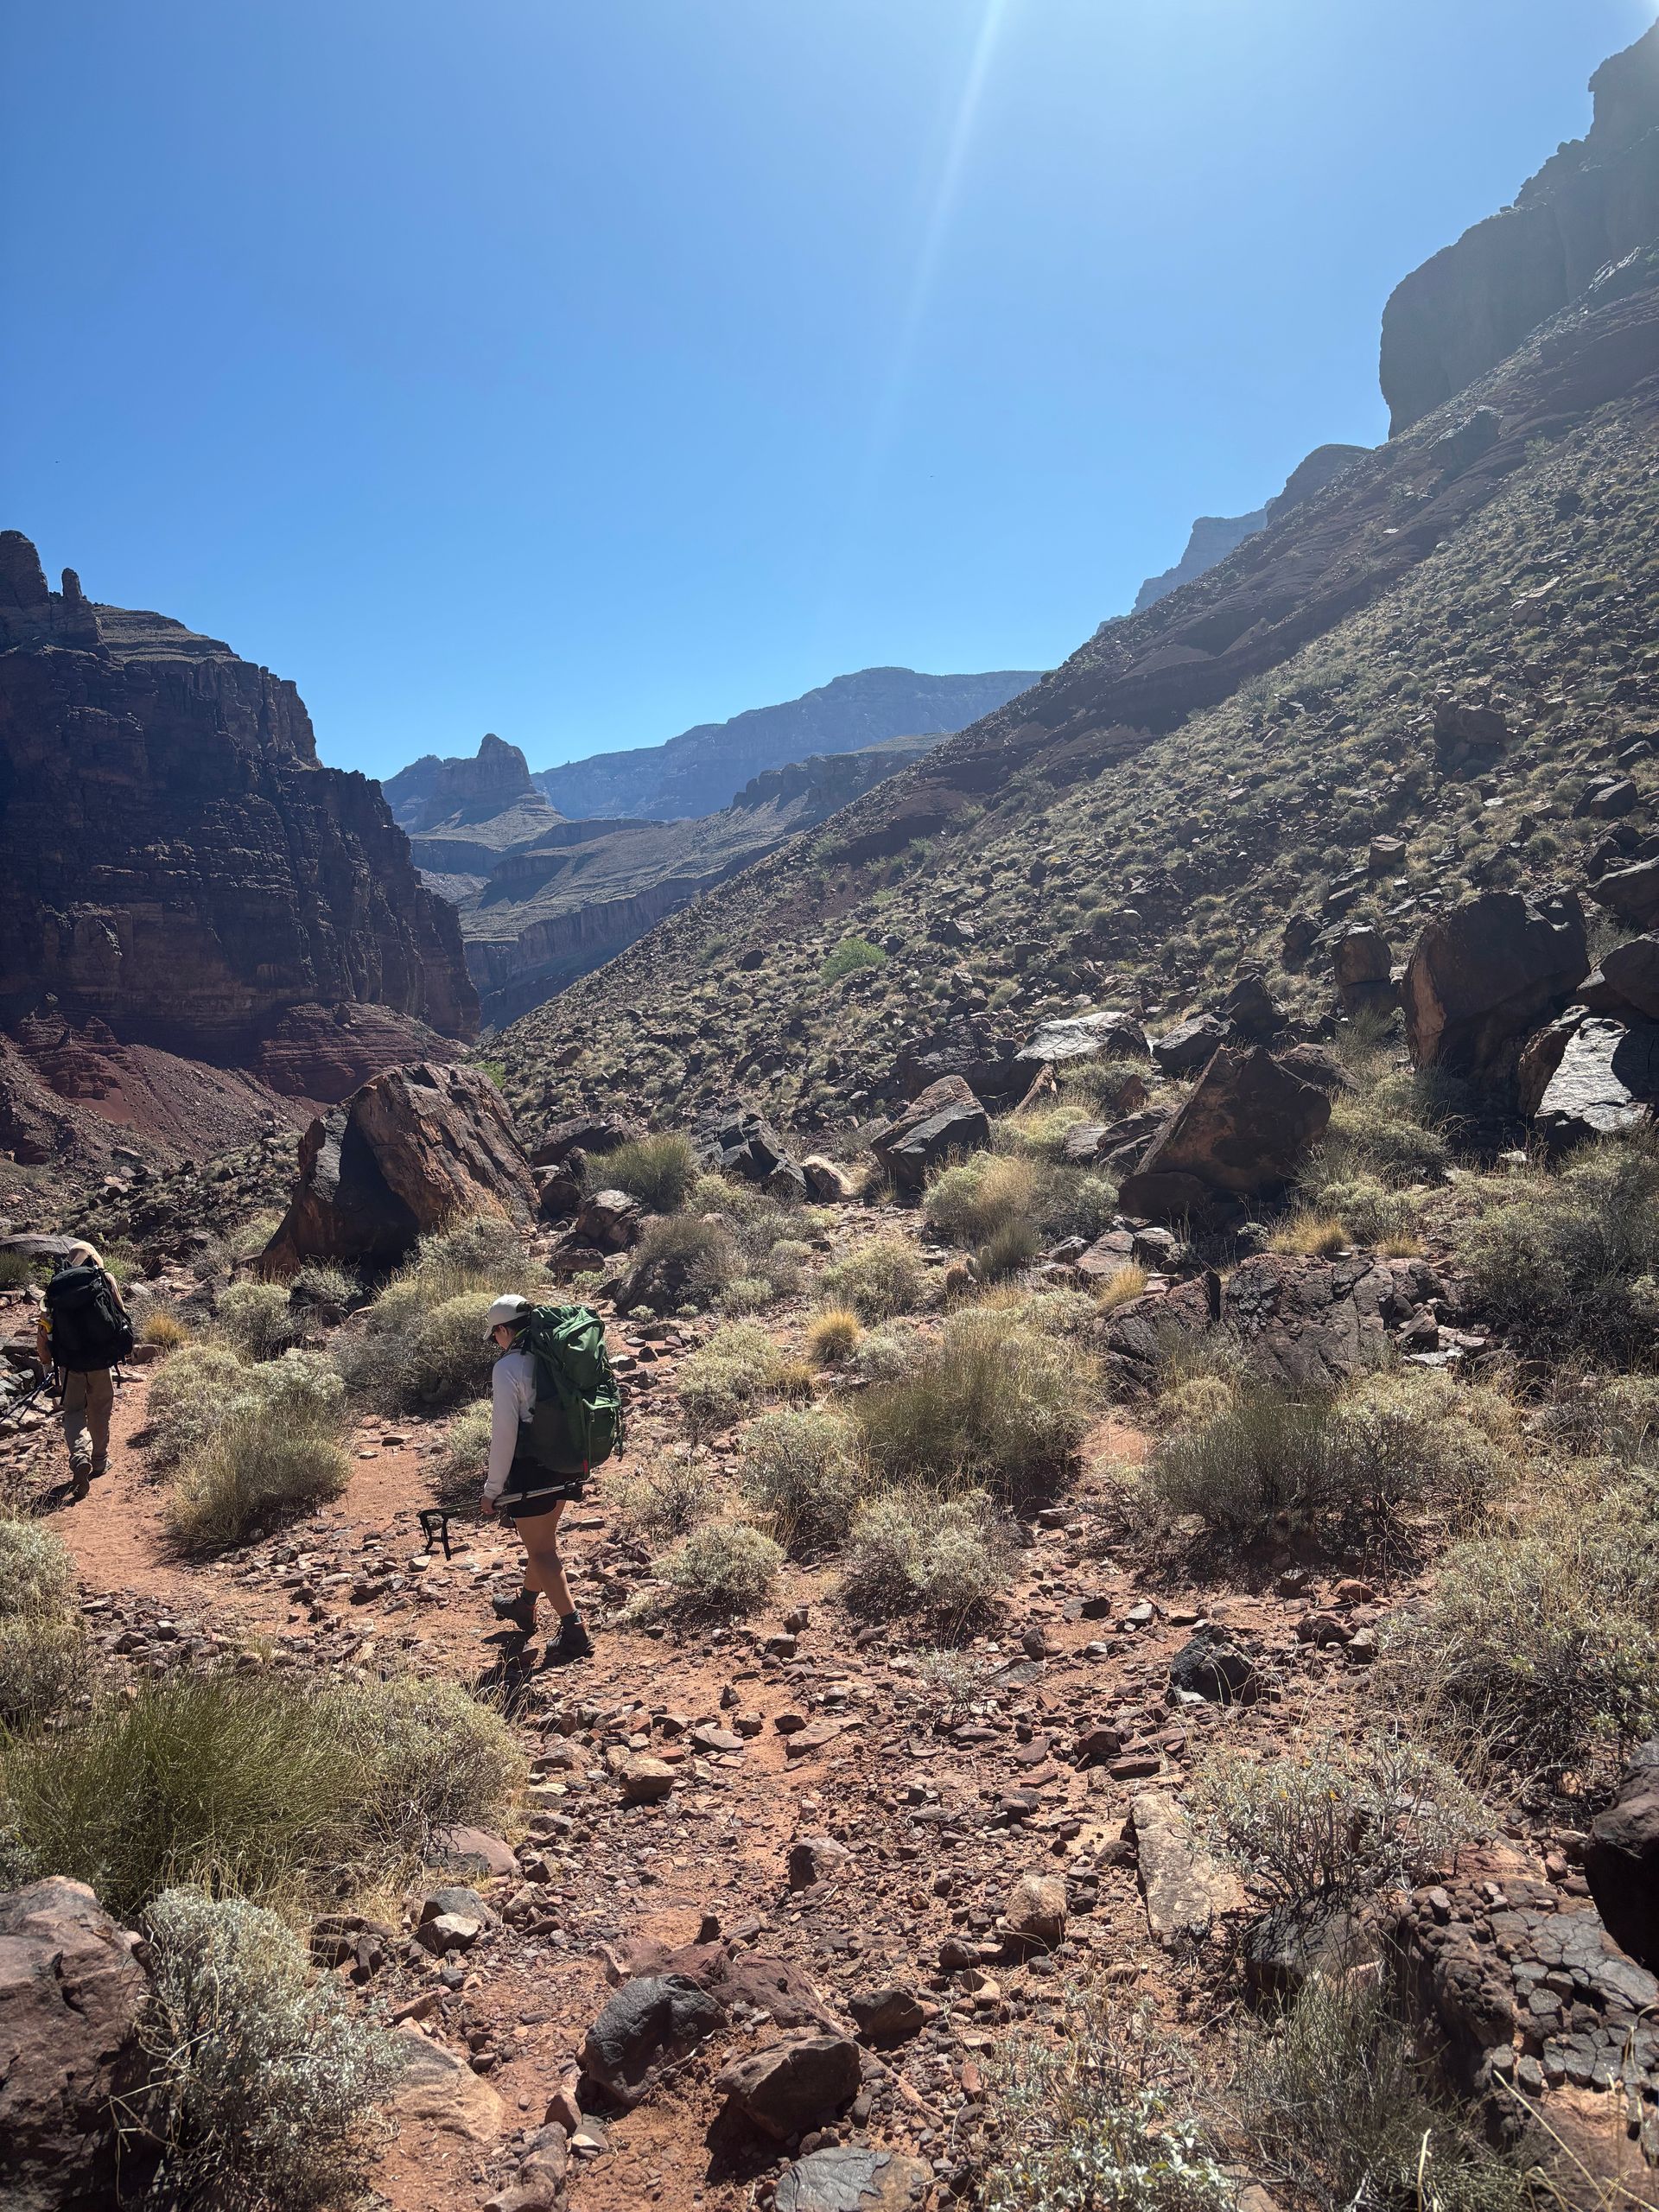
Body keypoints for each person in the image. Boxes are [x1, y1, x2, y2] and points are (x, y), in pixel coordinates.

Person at [480, 1294, 594, 1660]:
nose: (496, 1341)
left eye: (495, 1334)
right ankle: (525, 1605)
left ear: (502, 1330)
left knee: (542, 1550)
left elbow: (504, 1434)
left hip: (530, 1468)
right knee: (542, 1542)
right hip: (565, 1459)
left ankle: (574, 1630)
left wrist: (492, 1489)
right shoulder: (553, 1356)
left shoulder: (508, 1367)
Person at [35, 1241, 132, 1500]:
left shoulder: (55, 1288)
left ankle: (79, 1456)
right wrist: (123, 1349)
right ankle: (99, 1460)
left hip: (69, 1364)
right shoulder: (103, 1279)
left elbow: (43, 1333)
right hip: (100, 1360)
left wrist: (47, 1363)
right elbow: (120, 1315)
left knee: (74, 1411)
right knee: (100, 1410)